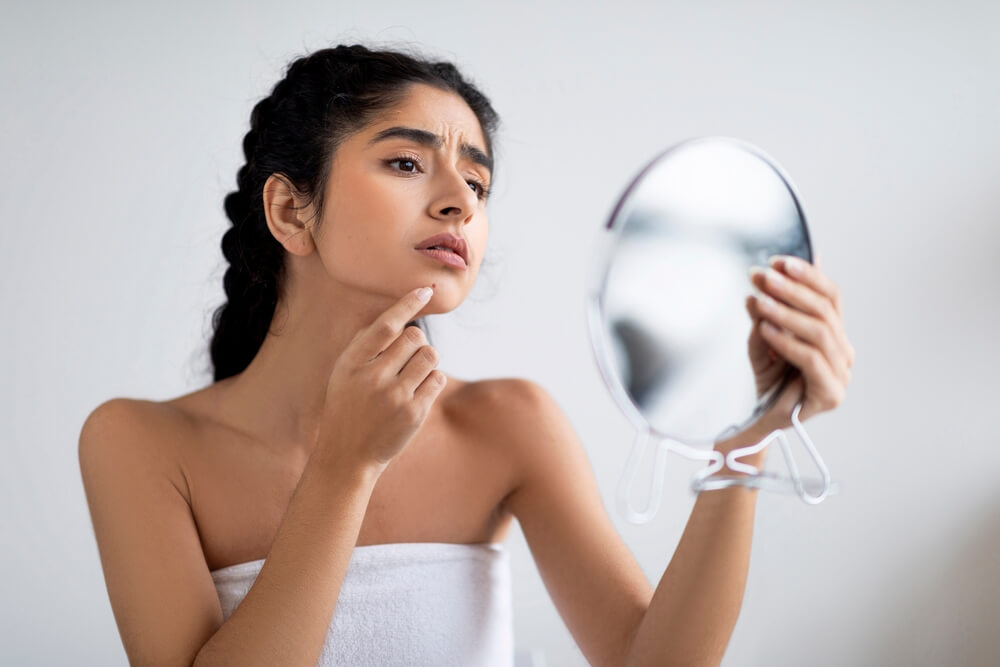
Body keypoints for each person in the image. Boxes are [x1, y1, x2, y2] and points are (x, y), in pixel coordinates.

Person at [78, 43, 855, 666]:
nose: (460, 200)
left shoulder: (512, 423)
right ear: (290, 209)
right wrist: (344, 468)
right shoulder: (140, 445)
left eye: (478, 182)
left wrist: (749, 438)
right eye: (408, 163)